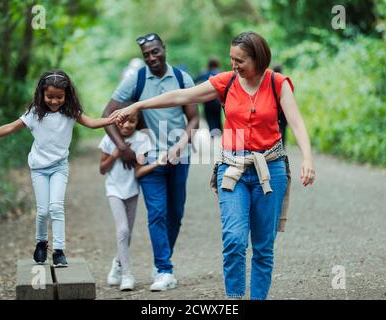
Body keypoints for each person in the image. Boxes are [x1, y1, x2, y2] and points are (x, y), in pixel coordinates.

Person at [114, 31, 316, 300]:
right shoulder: (227, 81)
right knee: (234, 239)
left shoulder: (278, 83)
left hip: (271, 169)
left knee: (263, 247)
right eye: (231, 59)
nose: (234, 65)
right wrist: (139, 104)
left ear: (259, 59)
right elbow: (180, 96)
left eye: (240, 61)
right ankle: (234, 299)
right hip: (233, 170)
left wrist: (308, 158)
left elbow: (297, 122)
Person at [0, 70, 118, 268]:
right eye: (50, 97)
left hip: (59, 167)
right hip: (38, 168)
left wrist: (112, 119)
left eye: (59, 97)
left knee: (56, 206)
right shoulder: (35, 114)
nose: (54, 101)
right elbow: (10, 127)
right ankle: (41, 243)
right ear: (42, 94)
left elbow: (93, 123)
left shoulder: (71, 113)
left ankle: (59, 251)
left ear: (67, 95)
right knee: (43, 210)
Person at [102, 32, 199, 291]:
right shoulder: (138, 79)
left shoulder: (181, 78)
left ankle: (138, 260)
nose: (152, 58)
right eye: (146, 55)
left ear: (164, 49)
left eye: (155, 52)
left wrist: (180, 146)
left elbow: (194, 119)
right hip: (149, 159)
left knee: (175, 214)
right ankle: (163, 269)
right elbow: (107, 113)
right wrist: (123, 148)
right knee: (157, 213)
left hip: (180, 158)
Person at [99, 112, 167, 291]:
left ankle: (117, 263)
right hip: (114, 190)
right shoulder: (109, 139)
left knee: (126, 234)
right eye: (124, 121)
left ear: (138, 122)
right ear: (117, 122)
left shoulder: (141, 140)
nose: (127, 125)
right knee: (122, 230)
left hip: (132, 191)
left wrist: (157, 163)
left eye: (132, 121)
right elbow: (102, 169)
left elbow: (138, 171)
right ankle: (127, 275)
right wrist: (115, 154)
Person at [194, 57, 223, 136]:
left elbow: (194, 80)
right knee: (217, 116)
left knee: (209, 116)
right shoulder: (220, 73)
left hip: (207, 100)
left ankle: (212, 131)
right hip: (217, 100)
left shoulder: (204, 73)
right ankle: (218, 131)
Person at [272, 64, 288, 146]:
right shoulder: (285, 83)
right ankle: (282, 147)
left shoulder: (271, 83)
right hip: (284, 113)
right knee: (283, 132)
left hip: (275, 113)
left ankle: (277, 147)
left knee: (275, 131)